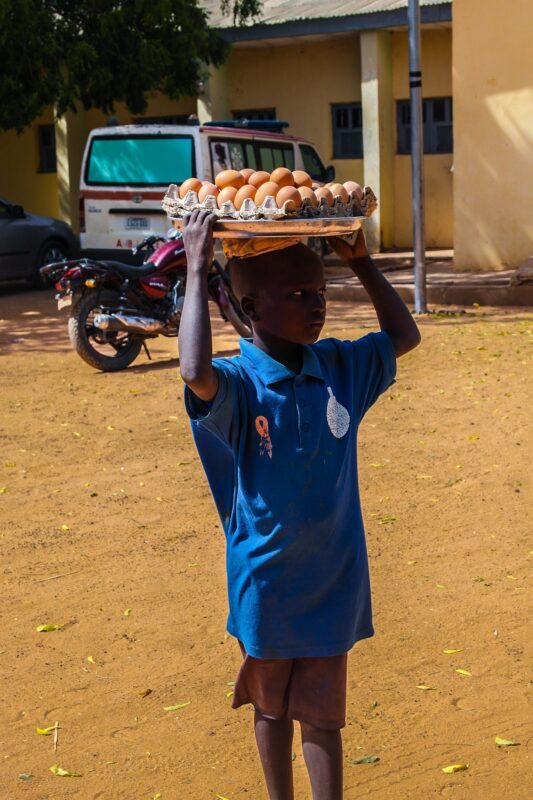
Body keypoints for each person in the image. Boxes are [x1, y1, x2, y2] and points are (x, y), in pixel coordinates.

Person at [178, 209, 421, 800]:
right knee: (271, 704)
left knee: (323, 711)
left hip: (334, 578)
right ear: (249, 307)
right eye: (298, 294)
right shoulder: (240, 383)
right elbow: (194, 370)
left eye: (321, 291)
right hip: (265, 580)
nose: (317, 305)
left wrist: (360, 261)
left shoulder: (339, 368)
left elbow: (404, 336)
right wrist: (194, 266)